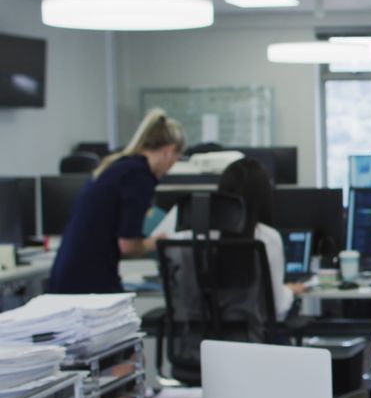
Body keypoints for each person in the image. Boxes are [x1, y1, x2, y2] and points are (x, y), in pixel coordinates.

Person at [48, 108, 186, 294]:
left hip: (70, 273)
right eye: (176, 158)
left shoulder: (118, 166)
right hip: (88, 281)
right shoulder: (138, 177)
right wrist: (155, 242)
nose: (172, 166)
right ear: (169, 152)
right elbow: (128, 246)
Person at [213, 158, 305, 321]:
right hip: (253, 340)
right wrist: (289, 291)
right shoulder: (267, 238)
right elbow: (278, 309)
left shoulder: (194, 236)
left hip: (201, 342)